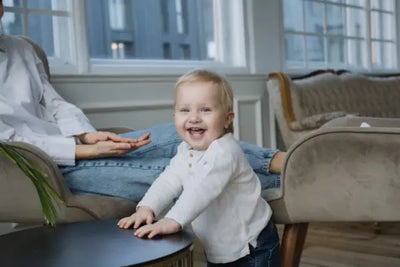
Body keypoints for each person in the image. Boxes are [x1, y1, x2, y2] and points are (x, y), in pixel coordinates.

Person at [0, 1, 284, 202]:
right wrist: (89, 152)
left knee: (179, 133)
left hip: (74, 145)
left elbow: (53, 102)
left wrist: (88, 136)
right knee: (184, 167)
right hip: (41, 169)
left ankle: (283, 161)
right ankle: (289, 183)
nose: (0, 11)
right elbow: (10, 142)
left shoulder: (20, 48)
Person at [118, 70, 280, 266]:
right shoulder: (185, 150)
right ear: (174, 115)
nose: (194, 118)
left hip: (250, 244)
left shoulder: (224, 151)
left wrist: (173, 220)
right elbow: (169, 180)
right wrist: (147, 207)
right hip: (220, 247)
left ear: (227, 118)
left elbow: (201, 189)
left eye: (205, 110)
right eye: (185, 110)